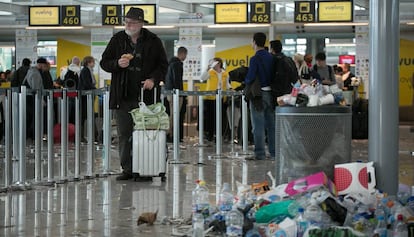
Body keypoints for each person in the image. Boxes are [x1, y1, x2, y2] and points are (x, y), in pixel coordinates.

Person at [100, 7, 168, 180]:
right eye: (126, 22)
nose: (128, 25)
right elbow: (104, 62)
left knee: (148, 132)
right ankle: (128, 169)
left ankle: (147, 167)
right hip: (122, 96)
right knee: (124, 133)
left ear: (141, 23)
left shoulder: (153, 40)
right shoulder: (117, 39)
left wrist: (153, 79)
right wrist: (117, 63)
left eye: (132, 22)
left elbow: (163, 66)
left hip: (146, 97)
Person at [245, 33, 275, 160]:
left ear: (254, 42)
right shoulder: (271, 57)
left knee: (258, 125)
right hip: (271, 94)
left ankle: (260, 153)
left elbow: (251, 77)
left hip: (258, 95)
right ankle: (273, 153)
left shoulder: (254, 59)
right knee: (271, 125)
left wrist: (245, 82)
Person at [200, 57, 230, 141]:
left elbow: (227, 85)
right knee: (209, 117)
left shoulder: (225, 74)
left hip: (220, 98)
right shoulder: (210, 72)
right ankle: (209, 134)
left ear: (219, 63)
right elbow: (202, 78)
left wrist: (229, 91)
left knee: (220, 117)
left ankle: (218, 134)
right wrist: (207, 68)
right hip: (210, 98)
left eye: (214, 63)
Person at [165, 46, 188, 142]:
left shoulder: (170, 63)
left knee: (171, 114)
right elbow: (177, 80)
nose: (185, 57)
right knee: (175, 115)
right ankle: (172, 135)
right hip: (176, 94)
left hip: (169, 92)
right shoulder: (178, 64)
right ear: (182, 54)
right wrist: (181, 93)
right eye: (185, 55)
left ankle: (170, 134)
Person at [23, 57, 49, 139]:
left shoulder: (31, 71)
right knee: (35, 116)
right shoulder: (35, 73)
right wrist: (41, 100)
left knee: (30, 117)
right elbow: (36, 88)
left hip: (28, 97)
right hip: (31, 98)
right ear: (41, 65)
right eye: (45, 66)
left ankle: (29, 135)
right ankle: (34, 135)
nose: (45, 68)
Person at [78, 56, 97, 143]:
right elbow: (87, 83)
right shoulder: (85, 71)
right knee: (84, 116)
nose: (94, 64)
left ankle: (93, 135)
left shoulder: (88, 70)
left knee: (86, 116)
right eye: (93, 62)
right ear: (89, 62)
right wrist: (93, 88)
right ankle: (82, 136)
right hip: (85, 97)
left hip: (87, 96)